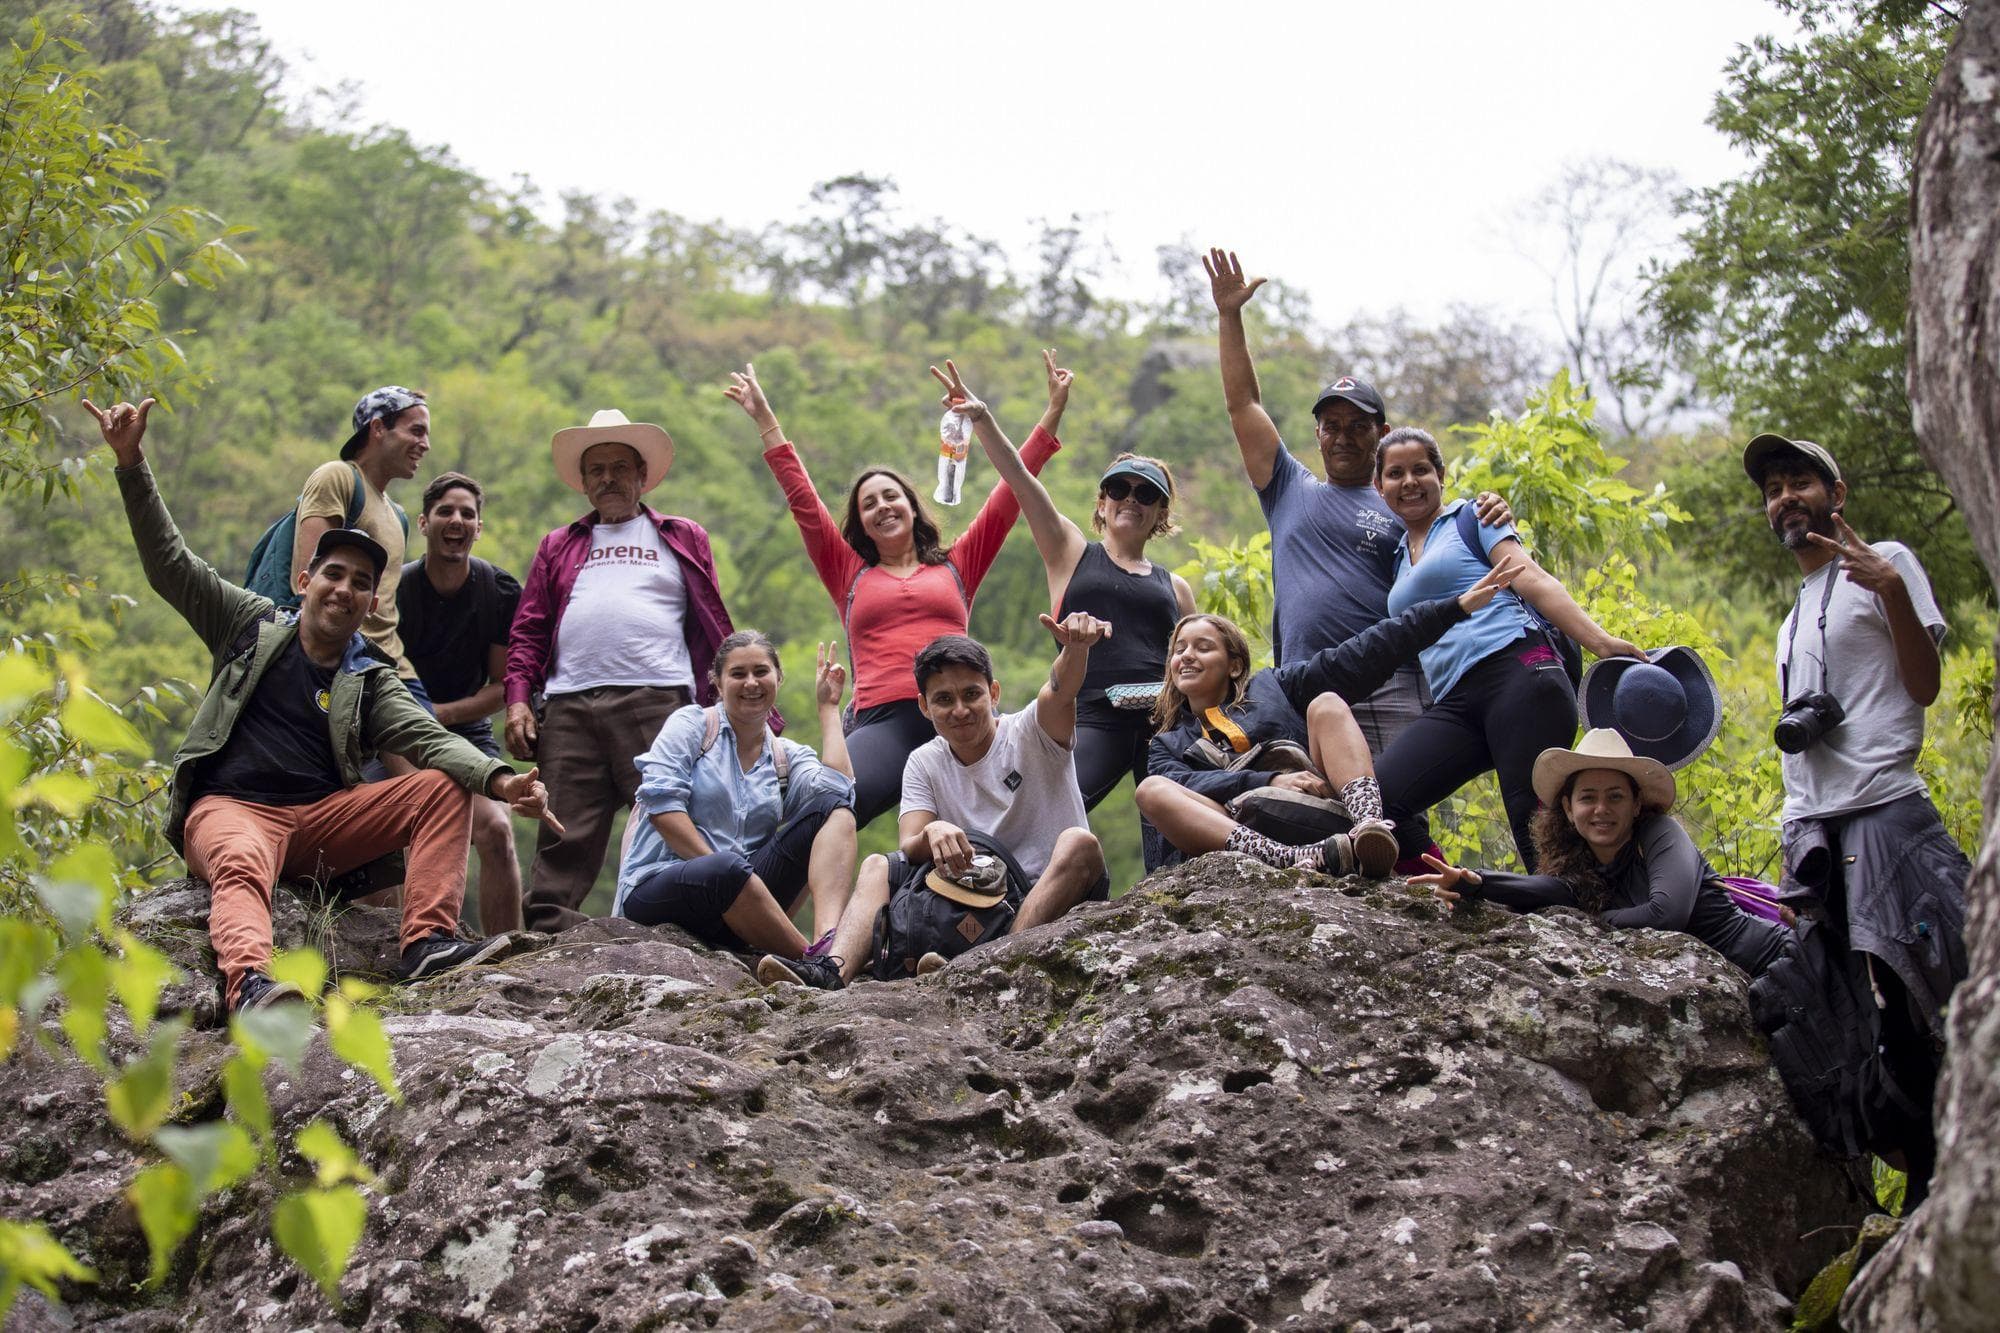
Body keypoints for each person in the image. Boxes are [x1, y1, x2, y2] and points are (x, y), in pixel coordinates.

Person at [83, 397, 554, 1013]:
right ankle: (249, 982)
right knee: (243, 859)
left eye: (362, 583)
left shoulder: (369, 674)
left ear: (371, 603)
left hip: (321, 824)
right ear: (305, 580)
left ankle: (430, 942)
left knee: (441, 786)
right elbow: (170, 564)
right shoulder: (248, 625)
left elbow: (430, 739)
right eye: (335, 574)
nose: (346, 590)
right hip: (234, 810)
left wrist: (500, 780)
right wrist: (131, 462)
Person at [1744, 431, 1970, 1200]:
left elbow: (1925, 686)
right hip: (1814, 825)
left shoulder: (1888, 562)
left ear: (1834, 496)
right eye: (1773, 487)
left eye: (1799, 480)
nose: (1785, 497)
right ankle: (1914, 1179)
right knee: (1849, 1020)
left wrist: (1893, 591)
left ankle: (1949, 1181)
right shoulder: (1792, 614)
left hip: (1883, 811)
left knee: (1914, 1002)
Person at [724, 362, 1063, 828]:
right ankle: (755, 899)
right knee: (825, 811)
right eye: (868, 503)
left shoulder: (956, 566)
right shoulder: (849, 573)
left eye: (890, 497)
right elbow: (803, 499)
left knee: (994, 831)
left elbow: (1009, 495)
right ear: (860, 523)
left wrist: (1051, 415)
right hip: (883, 718)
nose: (882, 506)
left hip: (960, 713)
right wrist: (766, 421)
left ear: (910, 504)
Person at [1203, 248, 1512, 756]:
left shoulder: (1405, 504)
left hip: (1389, 684)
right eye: (1332, 426)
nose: (1343, 437)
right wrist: (1230, 315)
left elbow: (1462, 552)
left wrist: (1494, 511)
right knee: (1318, 823)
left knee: (1394, 812)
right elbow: (1244, 404)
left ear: (1381, 433)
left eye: (1358, 426)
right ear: (1318, 434)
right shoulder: (1287, 488)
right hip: (1302, 688)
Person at [505, 409, 749, 933]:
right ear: (585, 483)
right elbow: (529, 628)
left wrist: (723, 706)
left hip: (659, 700)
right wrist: (519, 698)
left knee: (677, 818)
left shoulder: (681, 536)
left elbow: (710, 620)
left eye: (620, 466)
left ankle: (692, 929)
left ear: (642, 476)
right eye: (597, 470)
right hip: (569, 703)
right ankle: (547, 935)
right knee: (564, 829)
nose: (609, 478)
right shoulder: (558, 544)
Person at [762, 622, 1109, 986]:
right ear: (924, 707)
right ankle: (832, 971)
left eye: (971, 694)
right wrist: (933, 830)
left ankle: (992, 966)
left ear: (993, 694)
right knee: (879, 864)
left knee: (1079, 842)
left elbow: (1061, 688)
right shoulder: (925, 761)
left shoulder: (1033, 731)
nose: (960, 710)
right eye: (944, 699)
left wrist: (1076, 649)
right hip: (973, 898)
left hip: (1051, 891)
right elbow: (910, 846)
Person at [1371, 427, 1644, 870]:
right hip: (1457, 699)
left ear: (1441, 474)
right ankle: (1443, 891)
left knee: (1533, 823)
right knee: (1381, 799)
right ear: (1379, 488)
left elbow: (1530, 578)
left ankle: (1586, 925)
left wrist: (1601, 642)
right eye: (1395, 474)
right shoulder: (1398, 555)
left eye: (1421, 469)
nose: (1409, 482)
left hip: (1518, 672)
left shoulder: (1473, 518)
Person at [1136, 565, 1517, 878]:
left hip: (1319, 808)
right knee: (1152, 790)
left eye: (1203, 647)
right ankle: (1288, 859)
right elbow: (1186, 784)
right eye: (1179, 649)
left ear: (1234, 665)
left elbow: (1362, 654)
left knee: (1328, 702)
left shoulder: (1274, 686)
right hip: (1242, 828)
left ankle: (1370, 827)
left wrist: (1452, 609)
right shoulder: (1167, 744)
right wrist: (1268, 780)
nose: (1187, 656)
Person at [940, 352, 1195, 809]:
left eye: (1146, 494)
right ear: (1102, 503)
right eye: (1119, 490)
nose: (1130, 500)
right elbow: (1020, 480)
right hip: (1096, 713)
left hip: (1168, 719)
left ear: (1161, 513)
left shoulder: (1176, 588)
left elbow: (1198, 666)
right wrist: (983, 419)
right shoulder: (1071, 551)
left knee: (1174, 823)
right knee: (1048, 811)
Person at [1411, 730, 1790, 977]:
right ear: (1567, 807)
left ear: (1637, 804)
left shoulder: (1659, 833)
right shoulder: (1583, 864)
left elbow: (1667, 911)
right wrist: (1475, 883)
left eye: (1615, 796)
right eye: (1587, 798)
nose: (1601, 810)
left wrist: (1589, 923)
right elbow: (1549, 890)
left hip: (1775, 960)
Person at [616, 634, 857, 983]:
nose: (751, 683)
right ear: (717, 681)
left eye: (761, 671)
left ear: (778, 677)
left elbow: (840, 793)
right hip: (660, 892)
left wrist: (829, 709)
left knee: (835, 813)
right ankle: (816, 966)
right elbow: (662, 807)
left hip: (737, 905)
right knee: (726, 869)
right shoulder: (692, 726)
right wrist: (731, 877)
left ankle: (826, 947)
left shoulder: (783, 756)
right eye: (738, 674)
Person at [397, 471, 524, 935]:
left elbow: (502, 684)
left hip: (466, 731)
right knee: (395, 839)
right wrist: (420, 724)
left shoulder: (497, 591)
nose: (457, 521)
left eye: (467, 514)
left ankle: (506, 950)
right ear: (424, 523)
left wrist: (444, 715)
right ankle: (394, 953)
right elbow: (378, 684)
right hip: (396, 733)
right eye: (445, 512)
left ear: (479, 527)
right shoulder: (395, 592)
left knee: (497, 831)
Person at [292, 386, 427, 699]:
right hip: (347, 660)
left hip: (392, 664)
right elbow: (307, 577)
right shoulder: (337, 477)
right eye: (416, 431)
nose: (425, 445)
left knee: (430, 746)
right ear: (378, 428)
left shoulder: (398, 515)